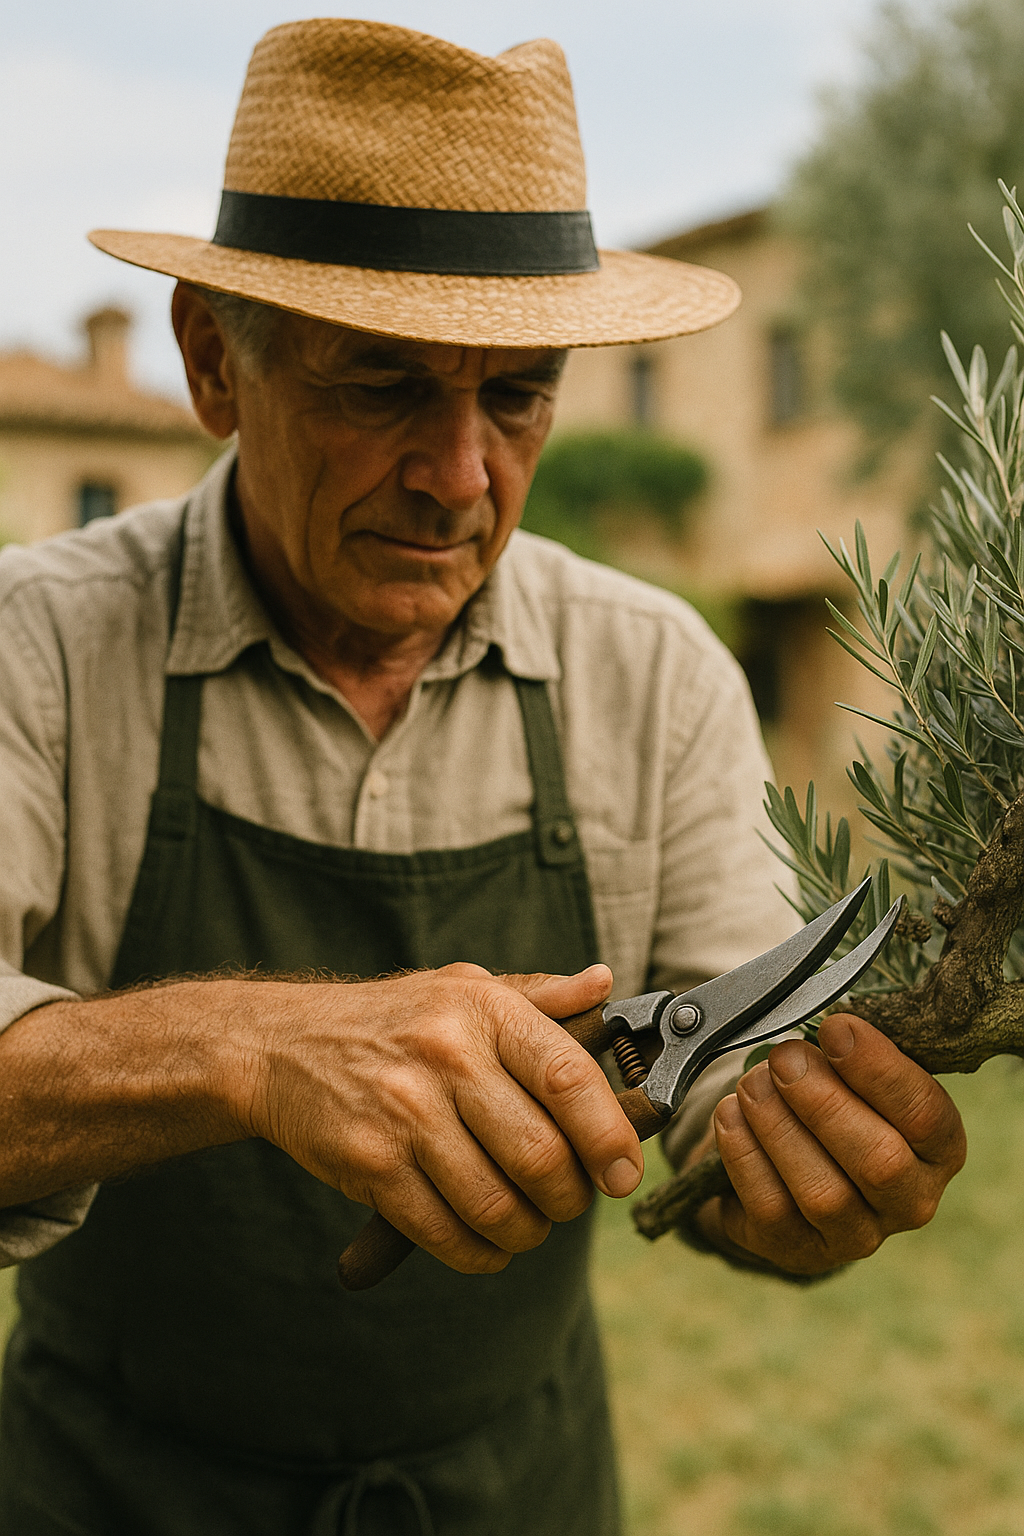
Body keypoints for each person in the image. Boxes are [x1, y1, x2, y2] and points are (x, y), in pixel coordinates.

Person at [0, 18, 965, 1536]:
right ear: (210, 360)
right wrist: (252, 1050)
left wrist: (801, 1190)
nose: (460, 475)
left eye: (517, 394)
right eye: (381, 385)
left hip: (519, 1493)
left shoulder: (650, 672)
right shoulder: (37, 649)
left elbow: (723, 1110)